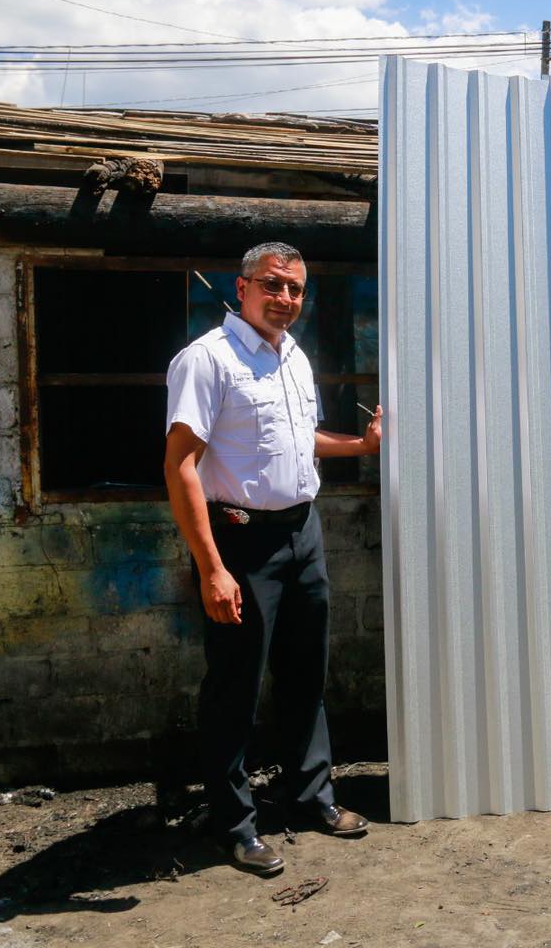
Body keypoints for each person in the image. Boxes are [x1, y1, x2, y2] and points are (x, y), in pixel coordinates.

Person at [164, 242, 382, 875]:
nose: (285, 299)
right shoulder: (207, 360)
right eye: (273, 286)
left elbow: (296, 438)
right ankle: (233, 825)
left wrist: (359, 445)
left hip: (301, 534)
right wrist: (212, 568)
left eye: (295, 290)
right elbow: (180, 465)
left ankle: (312, 797)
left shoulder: (293, 357)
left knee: (305, 675)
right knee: (234, 686)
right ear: (242, 287)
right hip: (242, 541)